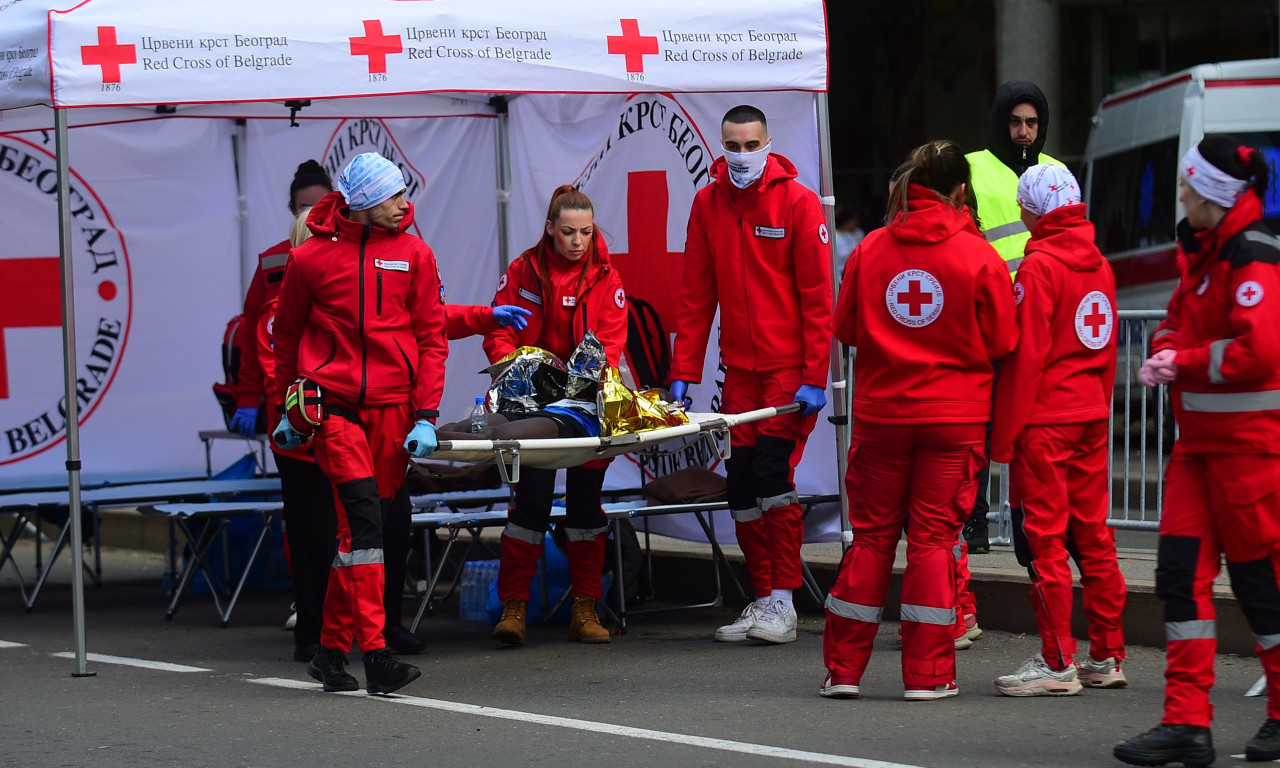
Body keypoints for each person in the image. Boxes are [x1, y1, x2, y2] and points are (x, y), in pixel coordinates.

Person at [820, 140, 1017, 701]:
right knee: (933, 542)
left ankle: (844, 672)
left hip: (883, 417)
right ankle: (928, 676)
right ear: (961, 192)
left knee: (873, 540)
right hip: (954, 420)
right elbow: (1004, 340)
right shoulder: (979, 256)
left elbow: (847, 329)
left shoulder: (872, 248)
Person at [1114, 136, 1280, 766]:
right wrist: (1165, 345)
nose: (1180, 193)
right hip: (1200, 453)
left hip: (1250, 454)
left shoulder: (1252, 254)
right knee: (1180, 580)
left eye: (1189, 186)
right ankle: (1187, 723)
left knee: (1263, 589)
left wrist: (1178, 360)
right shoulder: (1206, 252)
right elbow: (1176, 321)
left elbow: (1258, 351)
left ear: (1214, 194)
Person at [271, 152, 448, 696]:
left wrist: (426, 414)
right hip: (336, 409)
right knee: (367, 526)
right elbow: (286, 337)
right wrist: (289, 410)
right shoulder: (309, 260)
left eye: (403, 194)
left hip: (396, 415)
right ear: (366, 202)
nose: (404, 204)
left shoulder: (416, 253)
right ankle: (375, 654)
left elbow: (431, 338)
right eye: (393, 196)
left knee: (353, 539)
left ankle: (328, 653)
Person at [669, 104, 832, 645]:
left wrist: (815, 373)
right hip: (739, 373)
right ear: (721, 144)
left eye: (750, 145)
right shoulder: (707, 203)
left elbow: (816, 298)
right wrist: (683, 372)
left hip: (788, 374)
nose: (740, 156)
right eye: (732, 146)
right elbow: (696, 296)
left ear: (768, 142)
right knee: (740, 488)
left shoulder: (799, 203)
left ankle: (783, 603)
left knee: (771, 480)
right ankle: (764, 599)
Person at [988, 163, 1127, 697]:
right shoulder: (1100, 265)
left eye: (1024, 206)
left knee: (1045, 541)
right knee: (1093, 536)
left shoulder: (1039, 267)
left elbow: (1028, 360)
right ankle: (1107, 654)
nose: (1020, 214)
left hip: (1046, 420)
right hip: (1090, 414)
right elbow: (1107, 348)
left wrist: (1004, 437)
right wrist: (1102, 407)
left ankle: (1056, 662)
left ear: (1035, 210)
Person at [482, 185, 628, 646]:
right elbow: (501, 332)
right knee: (530, 505)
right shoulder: (522, 270)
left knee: (585, 507)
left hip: (584, 406)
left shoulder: (608, 277)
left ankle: (585, 608)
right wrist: (517, 371)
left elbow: (609, 347)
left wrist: (574, 388)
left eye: (586, 232)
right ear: (550, 229)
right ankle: (514, 609)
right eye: (568, 232)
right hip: (529, 404)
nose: (578, 241)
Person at [229, 161, 335, 663]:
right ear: (291, 211)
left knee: (346, 517)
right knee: (305, 519)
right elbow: (257, 338)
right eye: (303, 208)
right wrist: (250, 399)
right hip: (291, 417)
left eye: (320, 206)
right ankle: (308, 606)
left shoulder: (348, 261)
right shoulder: (273, 265)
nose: (312, 215)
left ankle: (351, 613)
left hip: (341, 413)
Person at [963, 80, 1063, 555]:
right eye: (1015, 122)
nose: (1024, 131)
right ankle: (975, 523)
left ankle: (1029, 525)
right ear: (1001, 122)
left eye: (1032, 123)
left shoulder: (1058, 172)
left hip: (1042, 323)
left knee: (1032, 430)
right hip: (989, 322)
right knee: (980, 428)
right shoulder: (973, 169)